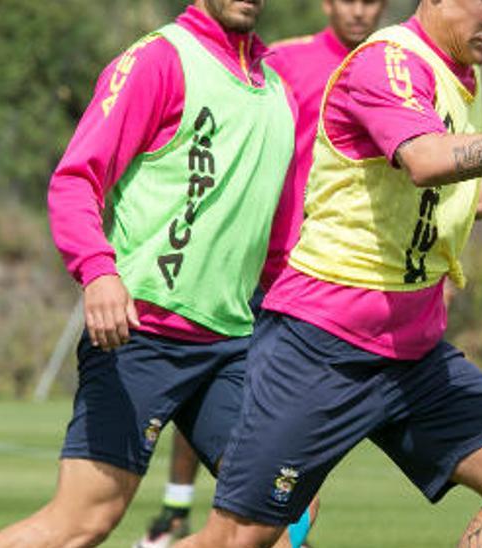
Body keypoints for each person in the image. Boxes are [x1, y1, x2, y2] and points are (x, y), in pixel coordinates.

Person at [176, 0, 482, 546]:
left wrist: (467, 196)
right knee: (241, 539)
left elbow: (414, 174)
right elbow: (427, 161)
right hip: (321, 345)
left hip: (411, 349)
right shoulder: (387, 60)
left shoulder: (461, 69)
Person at [0, 1, 304, 546]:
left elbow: (281, 242)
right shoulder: (159, 60)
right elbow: (75, 180)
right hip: (141, 332)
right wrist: (97, 271)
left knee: (279, 512)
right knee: (83, 522)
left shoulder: (278, 92)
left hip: (234, 343)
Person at [135, 2, 389, 547]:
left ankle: (204, 522)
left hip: (313, 285)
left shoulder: (393, 72)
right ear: (327, 3)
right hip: (243, 276)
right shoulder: (283, 65)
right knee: (231, 426)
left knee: (284, 474)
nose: (361, 9)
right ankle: (177, 509)